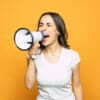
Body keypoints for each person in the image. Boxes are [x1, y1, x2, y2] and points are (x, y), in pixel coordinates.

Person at [25, 12, 83, 100]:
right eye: (41, 25)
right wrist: (32, 56)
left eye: (48, 25)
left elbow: (77, 86)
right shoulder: (34, 56)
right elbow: (28, 85)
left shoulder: (72, 56)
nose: (43, 28)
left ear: (58, 31)